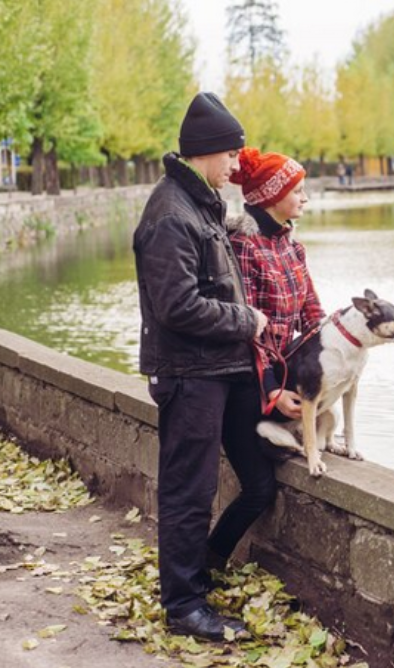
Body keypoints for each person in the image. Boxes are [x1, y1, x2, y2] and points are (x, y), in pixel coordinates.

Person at [133, 92, 274, 642]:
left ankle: (197, 581)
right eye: (232, 154)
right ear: (207, 150)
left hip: (219, 370)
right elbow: (178, 306)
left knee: (251, 479)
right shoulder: (171, 214)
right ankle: (184, 607)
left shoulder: (200, 202)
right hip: (190, 375)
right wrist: (246, 320)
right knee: (188, 493)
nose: (237, 164)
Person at [227, 147, 325, 426]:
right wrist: (272, 388)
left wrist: (337, 348)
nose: (305, 198)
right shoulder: (244, 246)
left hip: (286, 373)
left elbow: (312, 314)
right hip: (252, 383)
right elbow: (248, 326)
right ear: (272, 196)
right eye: (297, 191)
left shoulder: (293, 248)